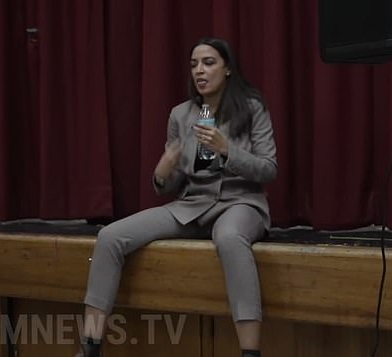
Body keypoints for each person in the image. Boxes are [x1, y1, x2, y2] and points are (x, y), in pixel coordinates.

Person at [76, 37, 277, 357]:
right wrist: (162, 172)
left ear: (227, 69)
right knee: (111, 236)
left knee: (229, 238)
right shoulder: (181, 114)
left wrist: (228, 150)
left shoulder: (252, 107)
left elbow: (268, 169)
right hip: (192, 204)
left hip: (240, 202)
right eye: (194, 64)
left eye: (209, 62)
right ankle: (90, 348)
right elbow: (167, 185)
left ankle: (250, 352)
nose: (200, 70)